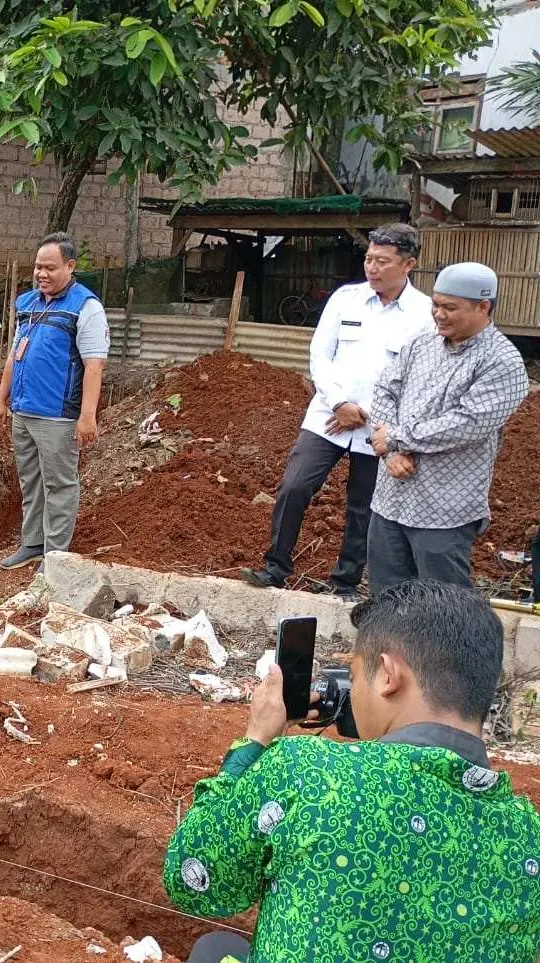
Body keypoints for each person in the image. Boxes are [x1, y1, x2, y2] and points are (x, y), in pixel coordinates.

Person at [165, 580, 540, 962]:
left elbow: (193, 881)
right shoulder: (530, 834)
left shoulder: (306, 771)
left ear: (388, 676)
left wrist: (255, 740)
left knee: (215, 950)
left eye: (355, 677)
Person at [241, 224, 432, 598]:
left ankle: (344, 582)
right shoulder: (345, 299)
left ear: (408, 264)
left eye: (382, 261)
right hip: (328, 416)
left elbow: (419, 376)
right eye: (368, 258)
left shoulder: (423, 314)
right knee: (295, 486)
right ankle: (275, 567)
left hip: (381, 427)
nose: (372, 268)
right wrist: (339, 402)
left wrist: (372, 414)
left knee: (363, 507)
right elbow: (319, 354)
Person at [367, 262, 528, 593]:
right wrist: (390, 454)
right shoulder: (422, 342)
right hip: (391, 498)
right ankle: (381, 648)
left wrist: (395, 438)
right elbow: (384, 389)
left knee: (442, 606)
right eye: (435, 304)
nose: (438, 314)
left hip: (443, 511)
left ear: (483, 307)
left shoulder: (503, 363)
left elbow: (467, 424)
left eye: (450, 307)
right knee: (386, 598)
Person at [0, 232, 108, 569]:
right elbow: (15, 355)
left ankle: (55, 556)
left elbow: (94, 365)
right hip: (23, 410)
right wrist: (2, 400)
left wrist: (88, 415)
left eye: (50, 268)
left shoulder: (85, 307)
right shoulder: (27, 303)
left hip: (57, 416)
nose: (42, 274)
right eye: (38, 267)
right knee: (30, 481)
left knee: (59, 484)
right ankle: (32, 543)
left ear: (70, 267)